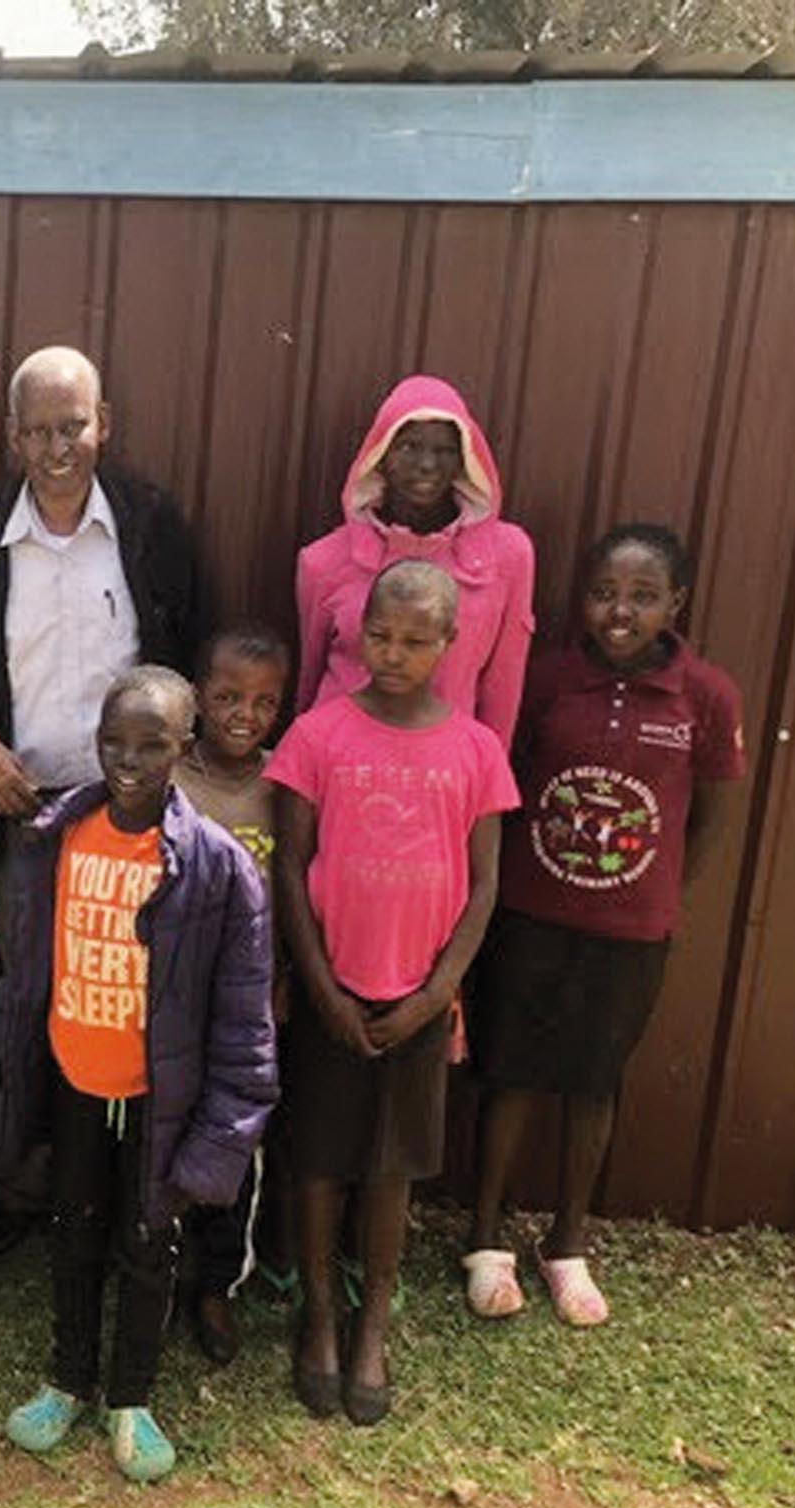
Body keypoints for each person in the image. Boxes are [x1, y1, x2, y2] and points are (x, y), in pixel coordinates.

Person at [0, 667, 276, 1484]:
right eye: (112, 740)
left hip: (160, 1101)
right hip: (74, 1082)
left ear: (184, 747)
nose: (127, 759)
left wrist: (215, 1145)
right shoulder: (57, 837)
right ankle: (68, 1378)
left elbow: (243, 1026)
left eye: (151, 744)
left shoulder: (218, 868)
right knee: (72, 1231)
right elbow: (27, 967)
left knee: (150, 1243)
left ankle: (131, 1396)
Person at [465, 525, 745, 1327]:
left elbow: (709, 818)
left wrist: (657, 892)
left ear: (675, 603)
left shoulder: (705, 696)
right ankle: (485, 1237)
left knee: (594, 1081)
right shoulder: (548, 680)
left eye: (642, 596)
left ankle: (567, 1243)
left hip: (629, 930)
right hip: (530, 916)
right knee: (511, 1071)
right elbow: (504, 784)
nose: (619, 611)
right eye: (602, 593)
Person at [269, 561, 518, 1426]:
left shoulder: (475, 750)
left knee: (392, 1171)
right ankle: (318, 1320)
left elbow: (484, 885)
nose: (393, 653)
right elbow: (290, 870)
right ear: (355, 633)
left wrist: (436, 994)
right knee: (318, 1161)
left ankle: (372, 1321)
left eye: (415, 640)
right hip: (330, 992)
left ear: (450, 643)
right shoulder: (317, 735)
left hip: (418, 1000)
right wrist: (319, 987)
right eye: (379, 635)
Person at [0, 346, 205, 828]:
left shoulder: (151, 527)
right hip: (20, 812)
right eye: (37, 432)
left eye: (73, 427)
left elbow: (192, 652)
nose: (57, 449)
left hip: (133, 808)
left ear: (103, 423)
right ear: (14, 436)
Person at [295, 375, 536, 748]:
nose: (426, 464)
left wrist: (486, 773)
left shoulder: (507, 556)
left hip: (445, 765)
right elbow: (309, 680)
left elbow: (504, 684)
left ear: (465, 459)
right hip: (341, 759)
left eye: (445, 450)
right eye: (408, 446)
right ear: (380, 454)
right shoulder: (324, 561)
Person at [172, 623, 291, 1366]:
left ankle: (216, 1284)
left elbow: (299, 890)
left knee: (235, 1146)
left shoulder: (284, 784)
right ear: (197, 697)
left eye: (264, 702)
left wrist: (284, 981)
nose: (243, 714)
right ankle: (158, 1269)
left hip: (249, 1012)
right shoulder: (171, 779)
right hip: (172, 1003)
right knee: (164, 1140)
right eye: (226, 697)